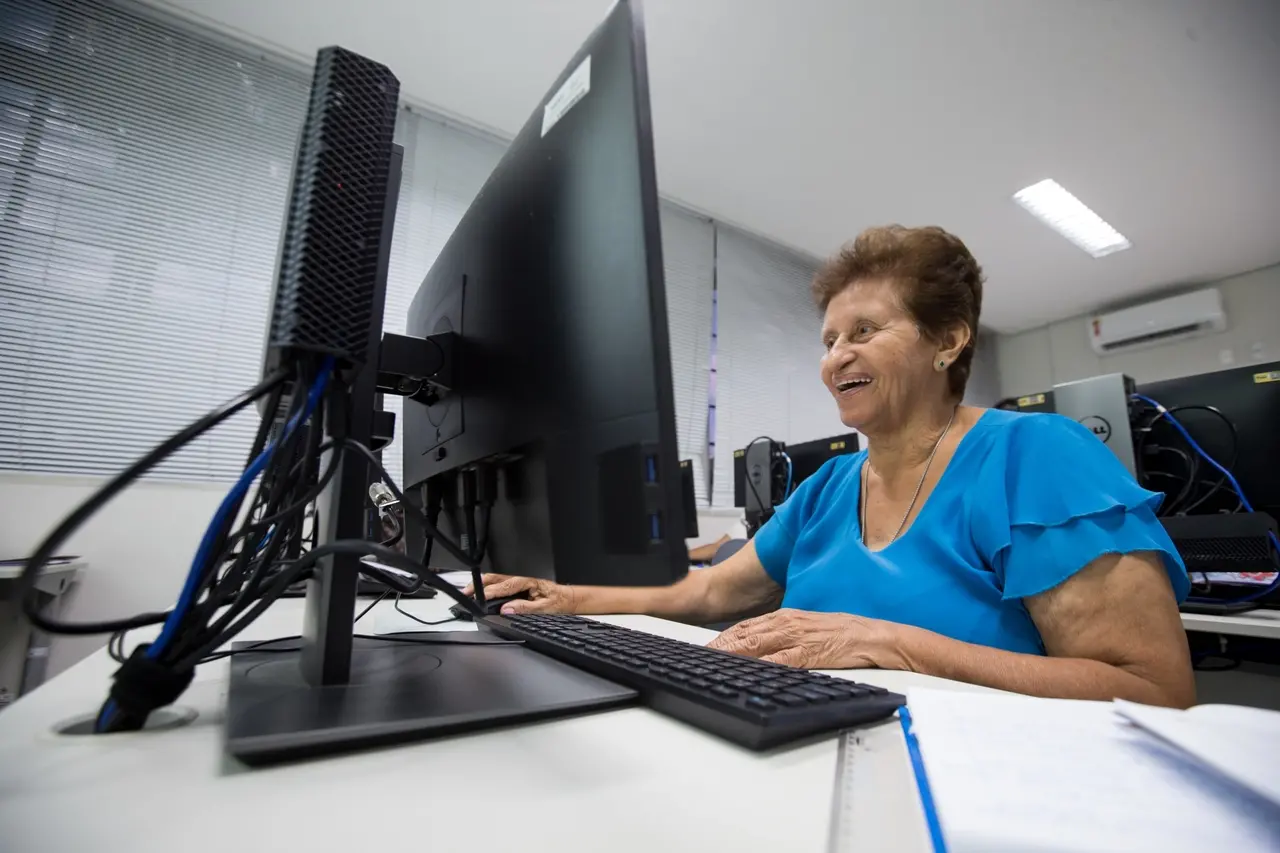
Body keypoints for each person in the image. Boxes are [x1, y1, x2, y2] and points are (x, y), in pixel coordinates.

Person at [468, 225, 1195, 707]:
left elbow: (1154, 687)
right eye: (827, 339)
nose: (835, 356)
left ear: (948, 339)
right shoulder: (828, 488)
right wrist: (570, 595)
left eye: (864, 331)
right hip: (810, 747)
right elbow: (712, 591)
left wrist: (889, 643)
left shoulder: (1036, 455)